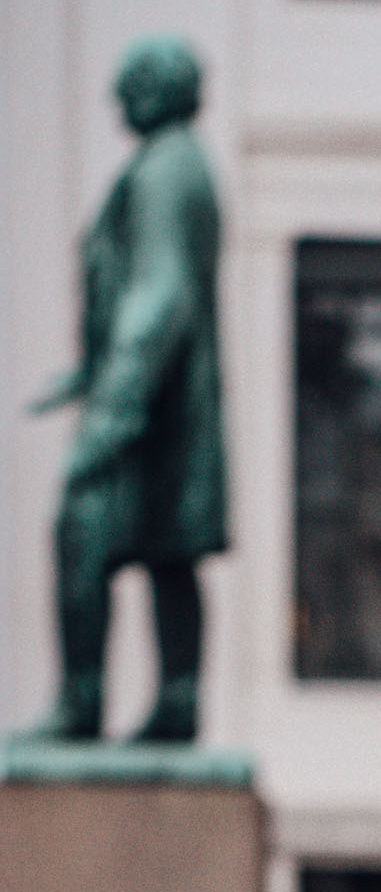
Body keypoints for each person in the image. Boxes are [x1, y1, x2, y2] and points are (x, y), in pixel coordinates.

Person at [18, 37, 227, 747]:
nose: (116, 99)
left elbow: (160, 294)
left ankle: (82, 704)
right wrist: (85, 374)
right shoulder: (182, 165)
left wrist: (113, 404)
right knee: (170, 550)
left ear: (162, 90)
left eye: (130, 84)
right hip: (165, 401)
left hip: (147, 405)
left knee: (83, 528)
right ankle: (177, 699)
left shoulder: (164, 171)